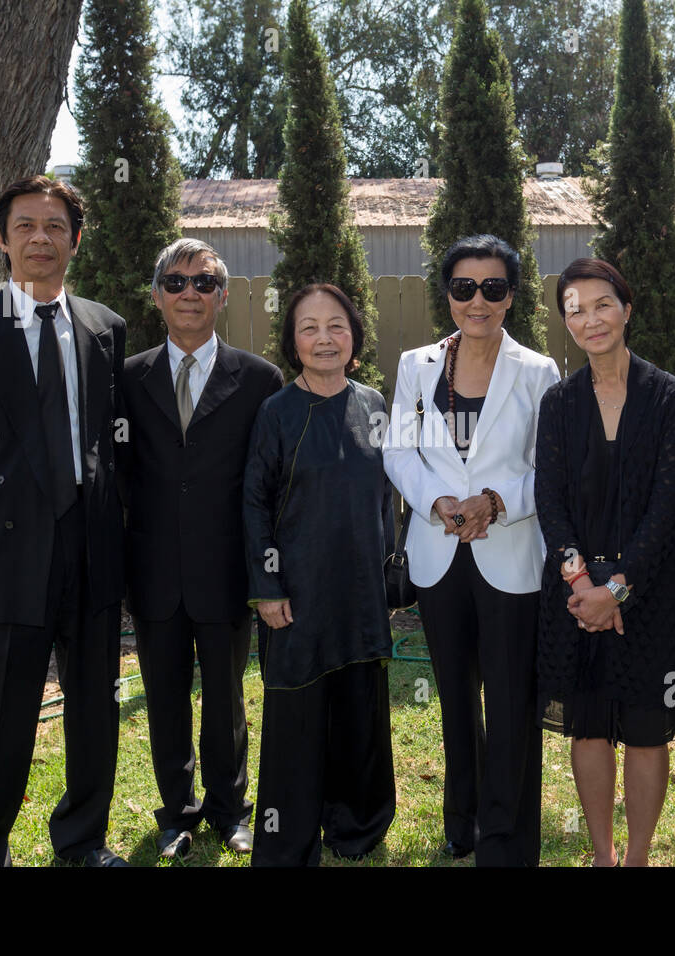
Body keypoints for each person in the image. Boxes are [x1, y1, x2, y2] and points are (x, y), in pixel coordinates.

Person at [0, 175, 128, 866]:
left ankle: (82, 842)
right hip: (2, 551)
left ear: (74, 238)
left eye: (56, 226)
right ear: (2, 238)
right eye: (27, 226)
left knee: (94, 707)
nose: (42, 238)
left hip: (90, 546)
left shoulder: (104, 328)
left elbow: (102, 437)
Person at [383, 234, 560, 866]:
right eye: (464, 287)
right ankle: (462, 820)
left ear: (511, 295)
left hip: (509, 552)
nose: (477, 300)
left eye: (492, 287)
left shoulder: (539, 371)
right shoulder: (416, 365)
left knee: (511, 699)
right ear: (449, 294)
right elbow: (398, 449)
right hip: (438, 552)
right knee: (455, 694)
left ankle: (507, 837)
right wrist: (437, 503)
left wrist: (496, 501)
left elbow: (550, 465)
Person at [534, 258, 675, 867]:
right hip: (576, 599)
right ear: (566, 325)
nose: (591, 318)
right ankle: (603, 857)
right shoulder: (558, 404)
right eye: (575, 309)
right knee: (588, 724)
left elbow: (668, 509)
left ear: (627, 309)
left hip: (649, 593)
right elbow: (548, 501)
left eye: (602, 303)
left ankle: (636, 858)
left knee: (645, 727)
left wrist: (619, 589)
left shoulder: (672, 399)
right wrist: (584, 585)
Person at [117, 239, 282, 859]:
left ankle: (230, 809)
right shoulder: (128, 378)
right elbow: (119, 472)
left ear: (224, 294)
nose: (190, 293)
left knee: (226, 697)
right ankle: (175, 814)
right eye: (176, 282)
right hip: (154, 568)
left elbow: (266, 483)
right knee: (162, 697)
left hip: (225, 569)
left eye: (204, 282)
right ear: (157, 294)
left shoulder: (259, 379)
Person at [242, 283, 396, 866]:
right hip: (296, 593)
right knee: (298, 719)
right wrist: (266, 586)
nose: (324, 338)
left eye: (336, 326)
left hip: (360, 591)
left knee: (359, 709)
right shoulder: (277, 412)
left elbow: (386, 497)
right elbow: (253, 503)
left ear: (354, 337)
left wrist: (389, 571)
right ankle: (289, 838)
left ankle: (357, 824)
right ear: (293, 341)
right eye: (309, 327)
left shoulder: (374, 403)